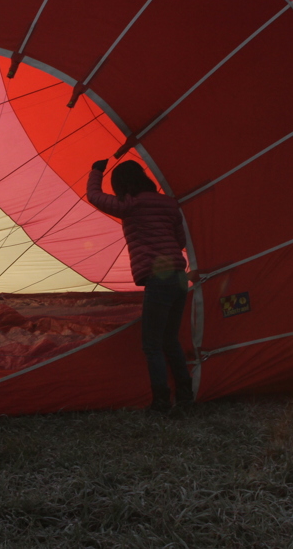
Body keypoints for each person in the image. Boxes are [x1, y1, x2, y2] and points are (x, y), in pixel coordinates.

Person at [87, 159, 193, 413]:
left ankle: (160, 402)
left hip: (159, 279)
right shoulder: (169, 203)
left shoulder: (130, 205)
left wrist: (96, 170)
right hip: (179, 277)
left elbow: (94, 196)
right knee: (170, 340)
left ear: (122, 184)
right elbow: (180, 240)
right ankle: (186, 397)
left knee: (152, 344)